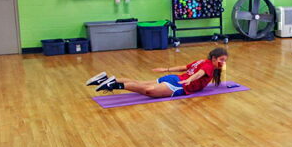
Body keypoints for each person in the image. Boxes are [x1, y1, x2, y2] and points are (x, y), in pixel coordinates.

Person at [86, 48, 228, 97]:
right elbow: (200, 73)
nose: (223, 63)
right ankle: (113, 85)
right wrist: (191, 80)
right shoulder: (209, 66)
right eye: (221, 60)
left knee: (139, 83)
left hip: (174, 78)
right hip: (180, 85)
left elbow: (183, 67)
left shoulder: (202, 61)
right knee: (148, 91)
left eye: (225, 61)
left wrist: (165, 69)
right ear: (214, 58)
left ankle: (104, 80)